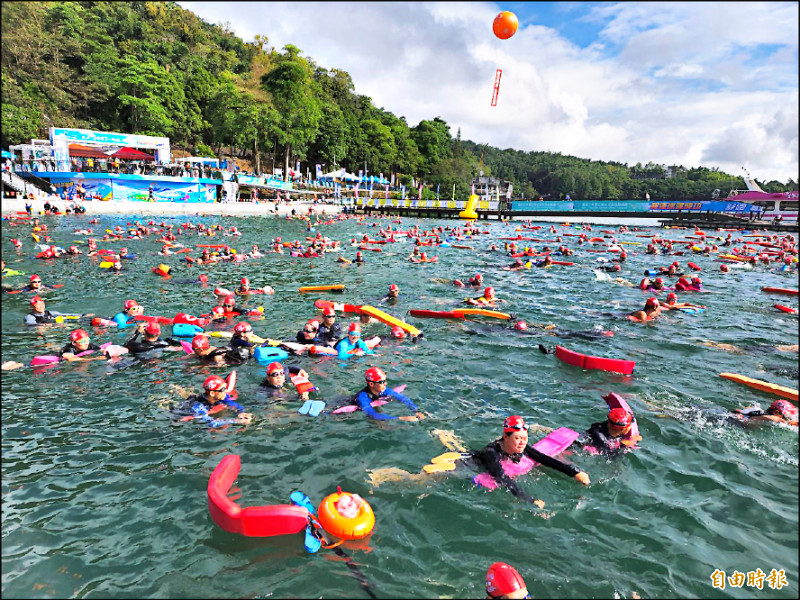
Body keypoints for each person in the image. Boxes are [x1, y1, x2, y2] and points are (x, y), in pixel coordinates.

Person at [470, 416, 589, 506]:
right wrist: (529, 499)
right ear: (505, 437)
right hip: (471, 464)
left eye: (525, 438)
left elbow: (543, 458)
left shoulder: (521, 446)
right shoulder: (491, 452)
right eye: (517, 438)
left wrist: (574, 472)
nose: (522, 442)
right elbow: (501, 477)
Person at [349, 367, 425, 421]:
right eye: (381, 382)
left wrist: (416, 411)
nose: (385, 384)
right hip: (347, 404)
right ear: (371, 384)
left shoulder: (383, 390)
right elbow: (372, 415)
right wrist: (402, 418)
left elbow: (402, 398)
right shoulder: (363, 398)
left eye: (385, 380)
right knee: (381, 425)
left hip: (373, 401)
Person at [174, 375, 252, 427]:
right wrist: (236, 421)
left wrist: (242, 413)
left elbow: (234, 405)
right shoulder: (198, 406)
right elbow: (212, 423)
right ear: (212, 393)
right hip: (182, 415)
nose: (226, 391)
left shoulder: (221, 396)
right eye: (223, 389)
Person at [733, 400, 798, 426]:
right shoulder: (773, 418)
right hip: (734, 423)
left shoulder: (757, 409)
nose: (788, 418)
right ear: (776, 412)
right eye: (786, 416)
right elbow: (778, 420)